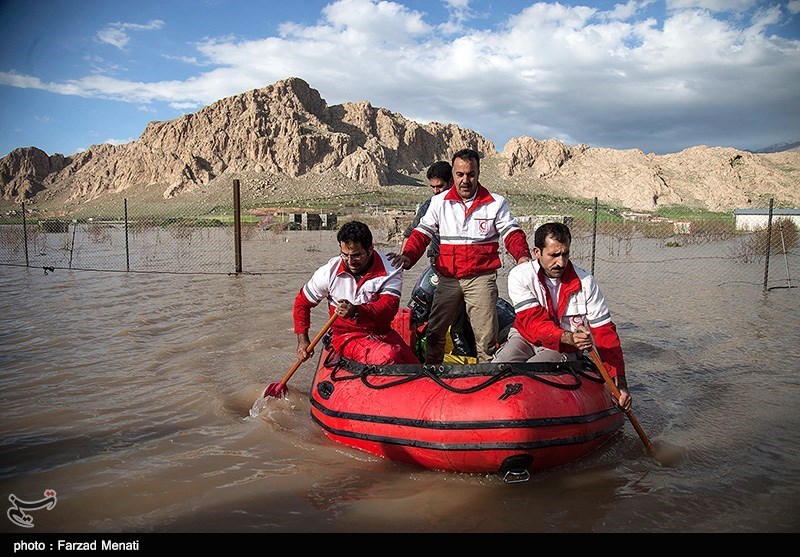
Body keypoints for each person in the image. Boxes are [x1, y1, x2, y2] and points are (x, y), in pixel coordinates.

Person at [388, 148, 532, 364]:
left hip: (481, 279)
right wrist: (407, 256)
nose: (465, 180)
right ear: (453, 174)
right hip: (448, 278)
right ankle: (432, 375)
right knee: (435, 332)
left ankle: (485, 381)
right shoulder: (438, 203)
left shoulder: (496, 203)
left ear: (478, 173)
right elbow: (422, 232)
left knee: (486, 339)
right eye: (460, 174)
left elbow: (511, 233)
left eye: (470, 174)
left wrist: (522, 257)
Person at [493, 222, 632, 410]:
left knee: (531, 373)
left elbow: (605, 335)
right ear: (537, 253)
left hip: (564, 348)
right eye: (553, 255)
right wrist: (570, 336)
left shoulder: (586, 283)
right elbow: (533, 323)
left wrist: (619, 382)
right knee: (497, 367)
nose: (560, 262)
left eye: (565, 254)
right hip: (526, 337)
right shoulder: (520, 276)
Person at [293, 220, 419, 365]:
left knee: (415, 367)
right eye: (345, 255)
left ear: (370, 249)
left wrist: (356, 311)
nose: (350, 261)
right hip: (346, 336)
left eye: (356, 255)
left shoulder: (391, 267)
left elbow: (388, 309)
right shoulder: (328, 272)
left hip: (382, 332)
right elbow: (301, 303)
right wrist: (303, 341)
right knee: (389, 356)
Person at [401, 161, 474, 357]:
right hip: (439, 267)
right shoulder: (429, 206)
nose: (435, 191)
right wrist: (403, 260)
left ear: (451, 182)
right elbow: (413, 234)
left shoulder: (469, 204)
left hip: (465, 269)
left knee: (463, 316)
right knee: (431, 312)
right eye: (432, 187)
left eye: (439, 187)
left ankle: (463, 348)